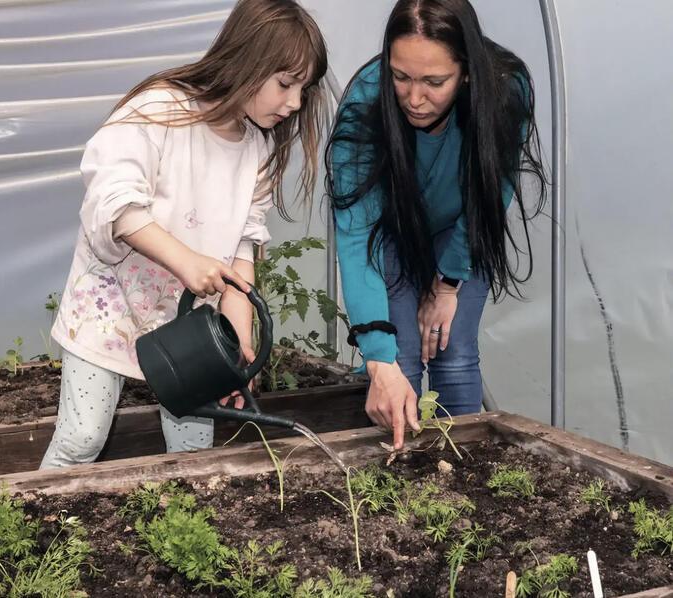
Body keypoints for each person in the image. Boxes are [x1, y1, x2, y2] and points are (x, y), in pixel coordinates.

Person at [40, 0, 328, 469]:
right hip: (110, 306)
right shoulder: (161, 109)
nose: (294, 103)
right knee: (82, 438)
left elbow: (241, 251)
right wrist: (187, 262)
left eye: (303, 89)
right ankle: (34, 537)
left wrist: (238, 344)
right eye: (285, 83)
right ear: (247, 59)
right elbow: (114, 202)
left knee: (193, 450)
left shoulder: (255, 148)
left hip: (187, 326)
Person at [326, 0, 546, 450]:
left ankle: (463, 478)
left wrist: (447, 284)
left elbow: (491, 192)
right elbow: (356, 234)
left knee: (454, 352)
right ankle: (397, 486)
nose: (414, 98)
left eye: (434, 82)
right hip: (390, 232)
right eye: (401, 76)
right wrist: (376, 358)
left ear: (466, 72)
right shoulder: (365, 102)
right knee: (397, 360)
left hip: (464, 230)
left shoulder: (506, 89)